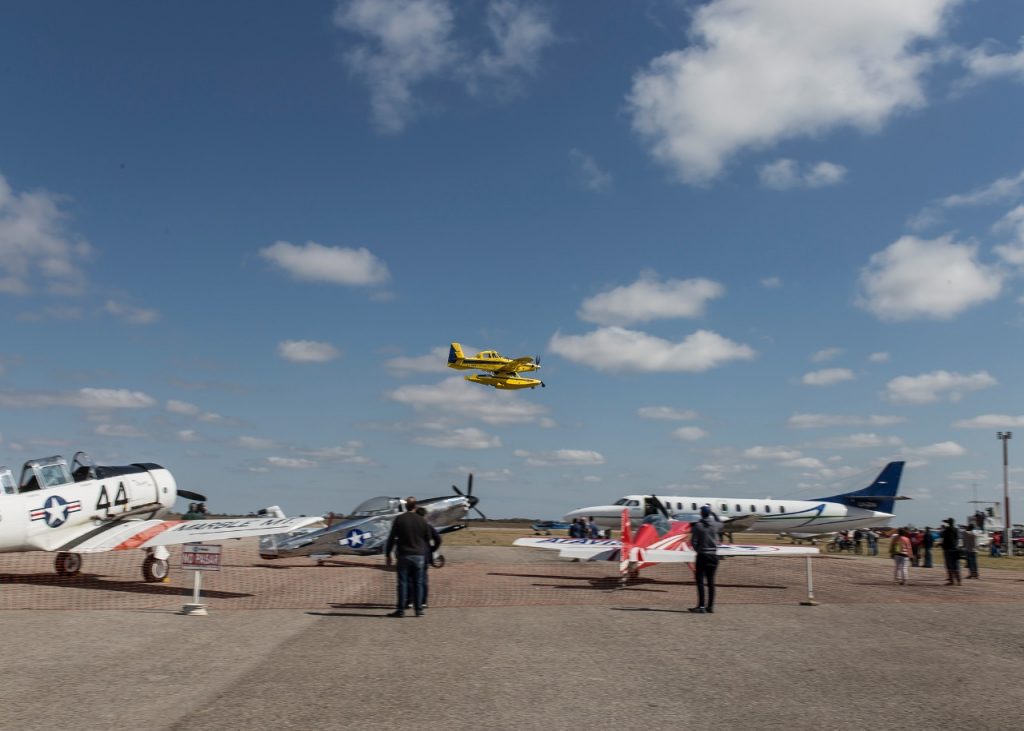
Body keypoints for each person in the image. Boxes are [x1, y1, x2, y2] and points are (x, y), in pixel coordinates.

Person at [384, 496, 433, 617]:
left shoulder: (399, 519)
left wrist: (388, 554)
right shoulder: (422, 520)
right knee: (418, 582)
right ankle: (418, 610)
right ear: (415, 506)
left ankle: (401, 610)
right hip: (419, 556)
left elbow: (391, 538)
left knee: (403, 583)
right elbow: (428, 537)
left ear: (406, 506)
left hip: (404, 555)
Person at [689, 505, 722, 614]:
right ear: (709, 513)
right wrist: (713, 513)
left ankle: (701, 606)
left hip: (702, 556)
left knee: (700, 582)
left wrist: (698, 550)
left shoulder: (698, 525)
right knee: (711, 582)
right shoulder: (715, 525)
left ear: (701, 513)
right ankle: (710, 606)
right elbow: (720, 522)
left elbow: (693, 542)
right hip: (713, 556)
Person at [940, 517, 962, 586]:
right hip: (955, 549)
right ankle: (959, 580)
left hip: (948, 549)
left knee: (949, 565)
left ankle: (951, 581)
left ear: (948, 523)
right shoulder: (956, 530)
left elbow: (942, 536)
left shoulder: (946, 530)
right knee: (956, 565)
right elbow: (958, 538)